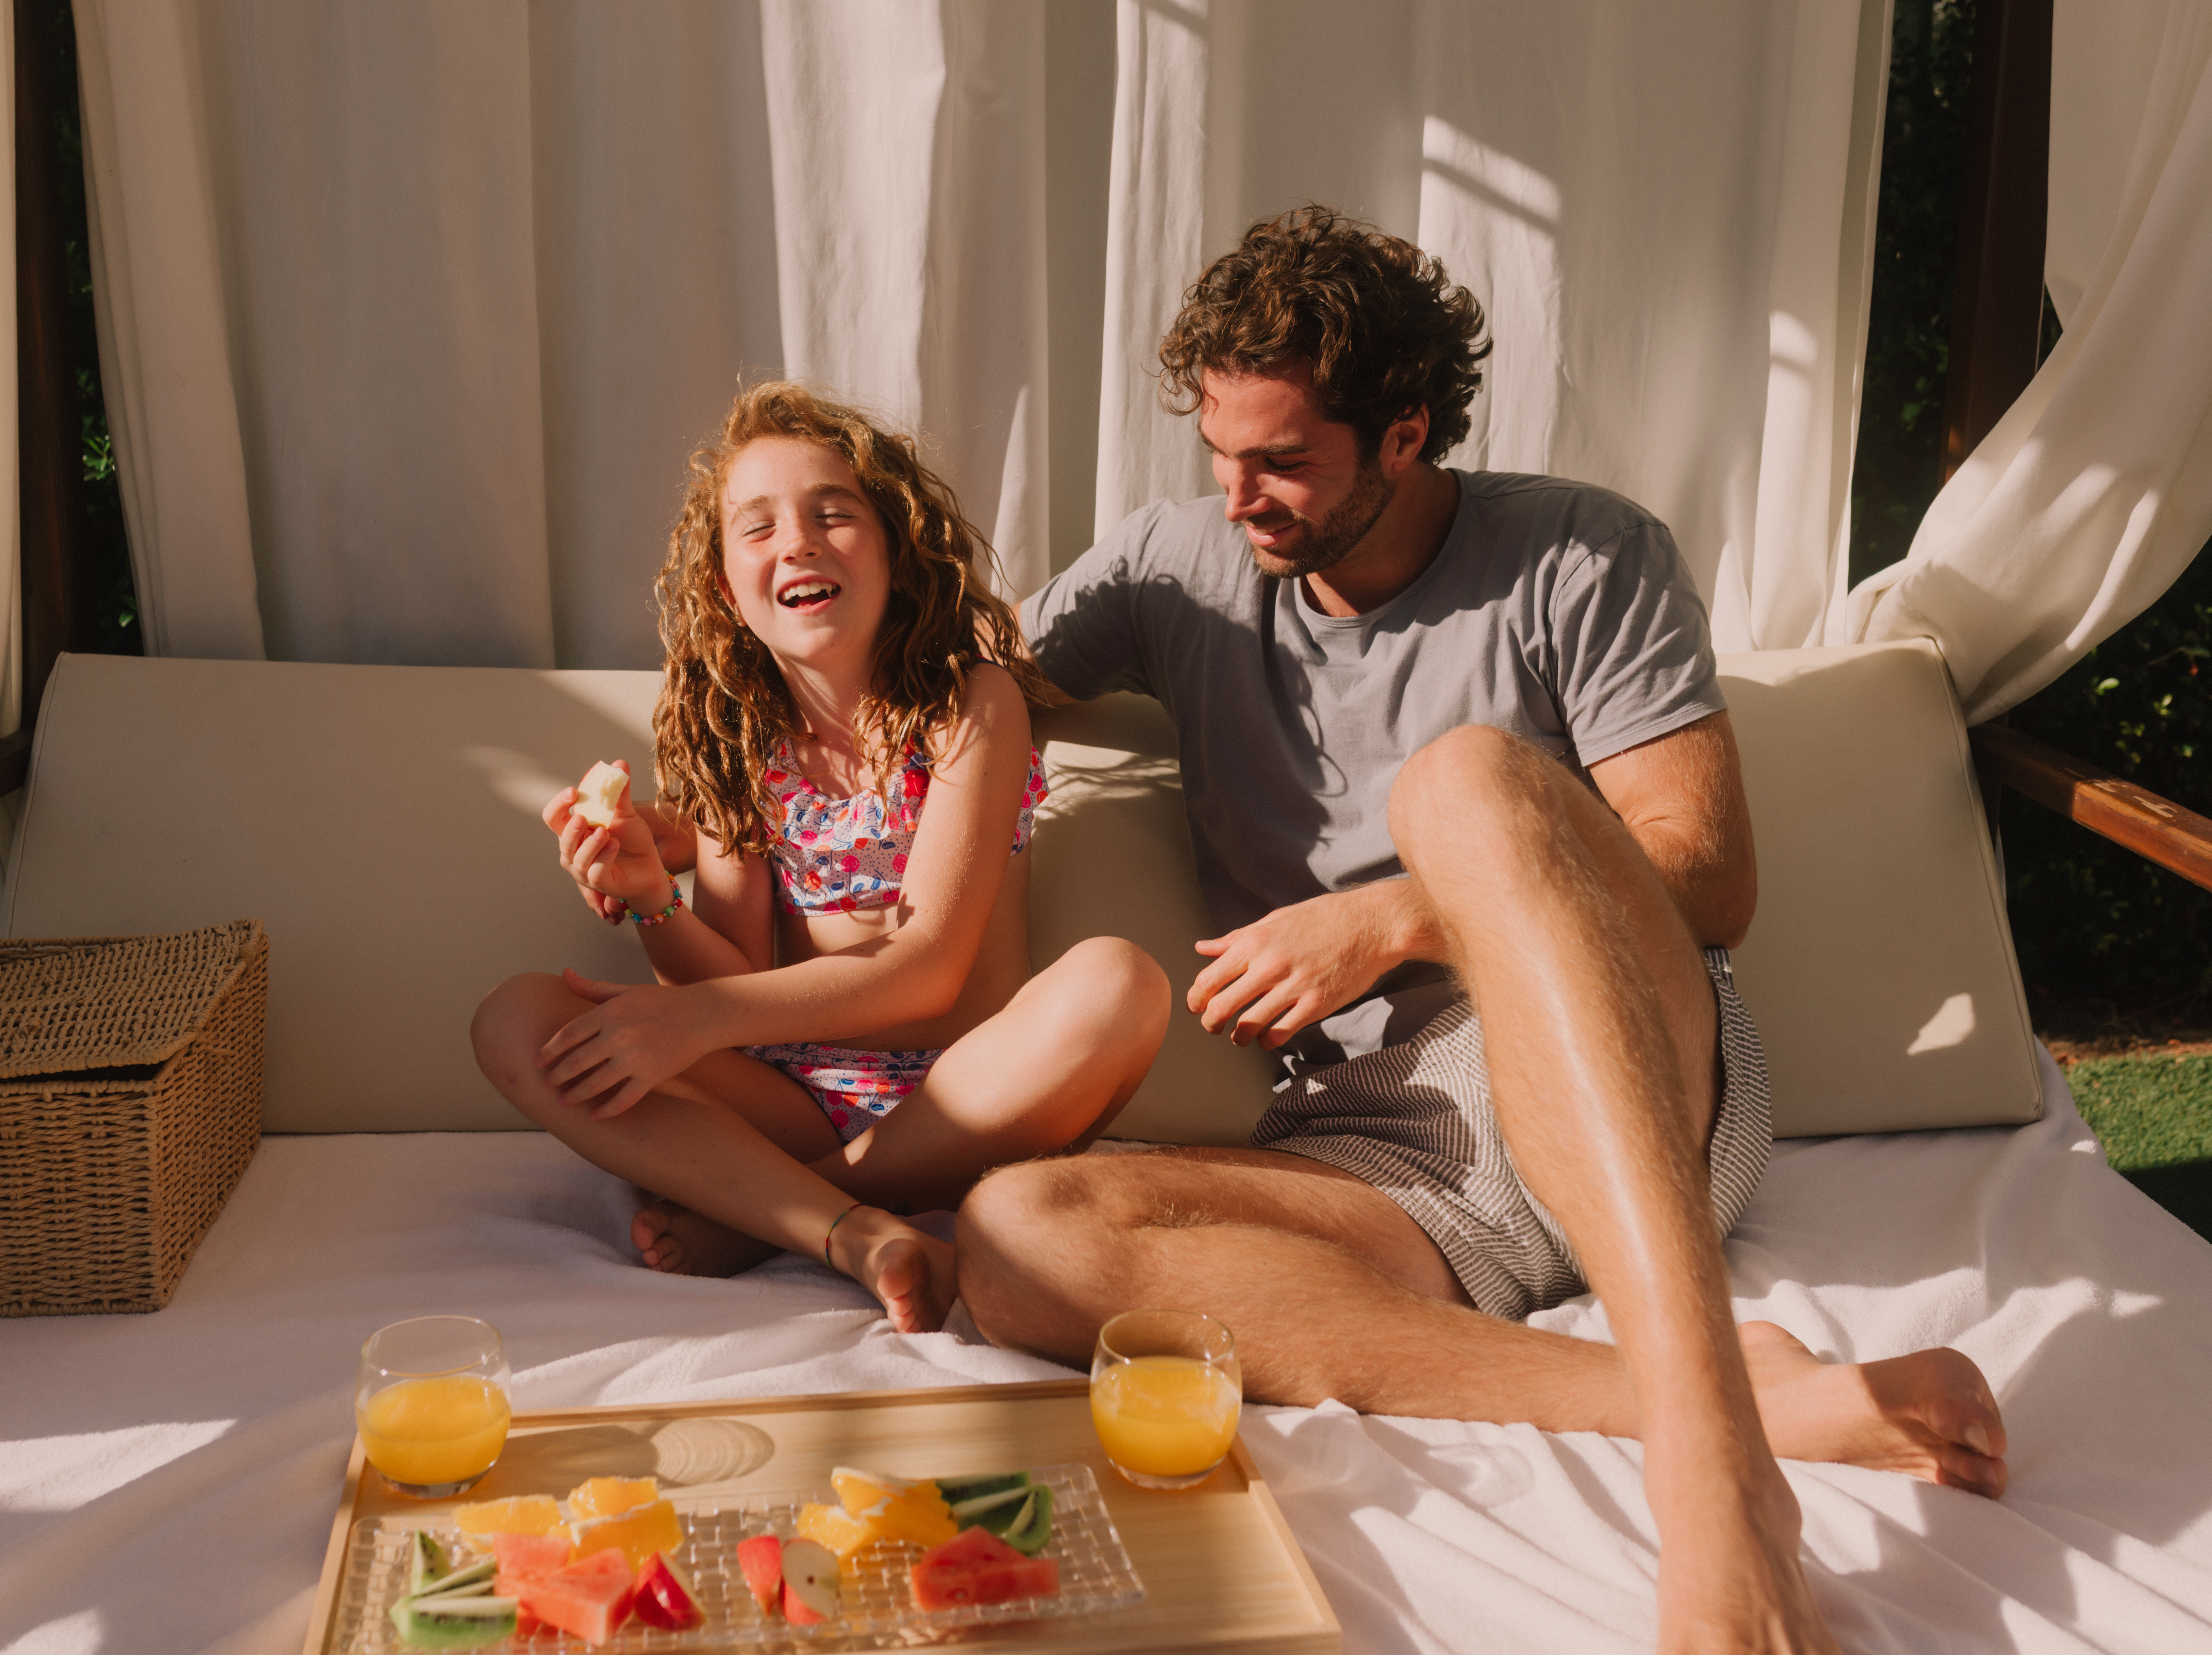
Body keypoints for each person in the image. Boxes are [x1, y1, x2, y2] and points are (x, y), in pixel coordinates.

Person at [952, 208, 2010, 1654]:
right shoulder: (1174, 564)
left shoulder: (1580, 553)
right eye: (1215, 451)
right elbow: (957, 701)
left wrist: (1389, 920)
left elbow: (1705, 879)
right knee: (1017, 1232)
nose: (1234, 493)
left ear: (1402, 433)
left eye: (1277, 461)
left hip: (1628, 1076)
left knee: (1466, 782)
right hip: (1383, 1155)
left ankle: (1718, 1483)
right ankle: (1747, 1395)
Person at [471, 382, 1169, 1336]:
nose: (795, 541)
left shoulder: (970, 706)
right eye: (756, 528)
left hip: (965, 1091)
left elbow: (929, 968)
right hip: (790, 1092)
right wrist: (648, 903)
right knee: (519, 1019)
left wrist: (692, 1018)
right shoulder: (735, 736)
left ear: (894, 548)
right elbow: (737, 971)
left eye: (832, 514)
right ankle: (853, 1234)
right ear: (726, 586)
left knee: (1119, 984)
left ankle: (773, 1216)